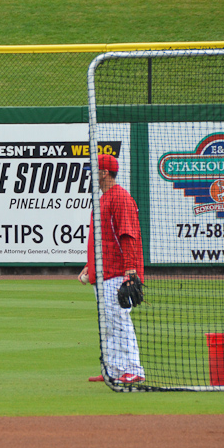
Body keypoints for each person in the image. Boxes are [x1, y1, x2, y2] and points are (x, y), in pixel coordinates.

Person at [78, 153, 145, 384]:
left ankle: (134, 368)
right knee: (108, 324)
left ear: (104, 172)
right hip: (103, 272)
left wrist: (130, 270)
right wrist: (90, 265)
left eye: (94, 170)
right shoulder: (104, 198)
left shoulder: (120, 198)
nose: (91, 174)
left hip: (117, 273)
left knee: (119, 320)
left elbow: (127, 235)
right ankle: (115, 369)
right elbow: (103, 240)